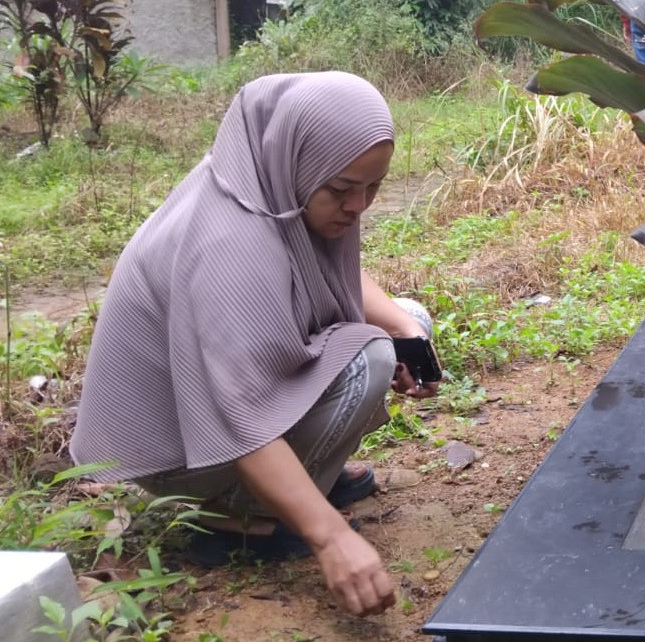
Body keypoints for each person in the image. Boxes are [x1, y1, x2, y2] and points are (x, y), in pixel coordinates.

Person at [70, 71, 442, 618]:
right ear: (297, 160)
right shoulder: (228, 245)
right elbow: (238, 421)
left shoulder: (270, 185)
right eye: (342, 189)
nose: (358, 205)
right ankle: (231, 515)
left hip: (220, 402)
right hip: (183, 450)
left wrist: (409, 332)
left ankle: (303, 480)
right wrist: (331, 539)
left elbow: (337, 279)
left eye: (372, 188)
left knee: (405, 319)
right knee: (369, 360)